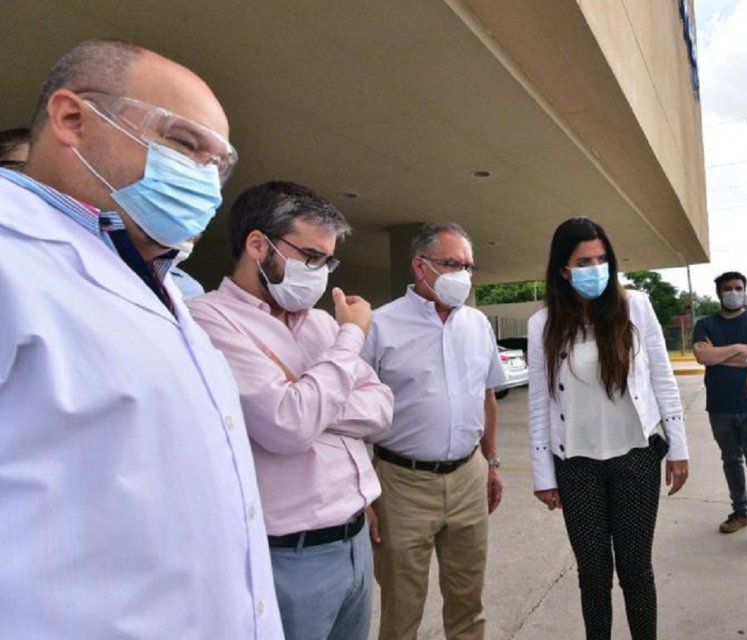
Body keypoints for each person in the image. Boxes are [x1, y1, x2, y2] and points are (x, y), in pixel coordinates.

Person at [0, 39, 283, 637]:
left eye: (218, 164)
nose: (204, 177)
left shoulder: (160, 281)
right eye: (184, 143)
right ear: (72, 119)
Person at [188, 181, 393, 640]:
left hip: (356, 539)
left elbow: (382, 408)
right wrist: (351, 338)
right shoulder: (208, 318)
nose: (320, 272)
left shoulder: (320, 323)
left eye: (328, 261)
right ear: (258, 245)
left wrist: (307, 397)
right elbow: (288, 426)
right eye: (311, 256)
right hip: (288, 558)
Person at [528, 217, 690, 640]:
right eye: (583, 262)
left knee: (636, 570)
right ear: (564, 270)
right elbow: (539, 403)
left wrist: (678, 448)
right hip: (577, 466)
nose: (595, 269)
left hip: (636, 457)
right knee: (593, 574)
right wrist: (543, 474)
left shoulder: (636, 306)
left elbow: (663, 378)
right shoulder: (543, 324)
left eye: (601, 259)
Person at [362, 222, 508, 640]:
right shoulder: (380, 325)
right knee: (401, 607)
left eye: (468, 266)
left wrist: (492, 462)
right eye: (451, 264)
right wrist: (363, 494)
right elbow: (350, 414)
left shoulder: (477, 324)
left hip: (468, 477)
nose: (462, 275)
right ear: (419, 265)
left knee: (468, 602)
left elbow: (487, 397)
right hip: (401, 484)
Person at [693, 271, 747, 548]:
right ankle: (740, 512)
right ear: (719, 293)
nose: (734, 292)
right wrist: (739, 349)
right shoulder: (705, 324)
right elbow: (702, 356)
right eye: (728, 288)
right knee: (731, 460)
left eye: (738, 288)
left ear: (745, 290)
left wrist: (719, 354)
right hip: (719, 406)